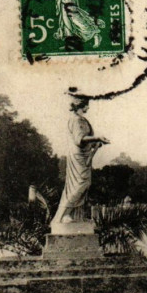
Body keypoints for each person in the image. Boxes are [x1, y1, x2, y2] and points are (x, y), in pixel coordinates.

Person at [51, 94, 110, 226]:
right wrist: (97, 138)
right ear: (79, 105)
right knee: (79, 184)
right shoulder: (76, 120)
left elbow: (87, 139)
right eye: (86, 105)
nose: (88, 107)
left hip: (84, 155)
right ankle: (64, 215)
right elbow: (80, 139)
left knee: (85, 184)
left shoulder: (83, 120)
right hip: (78, 156)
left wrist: (96, 143)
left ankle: (77, 217)